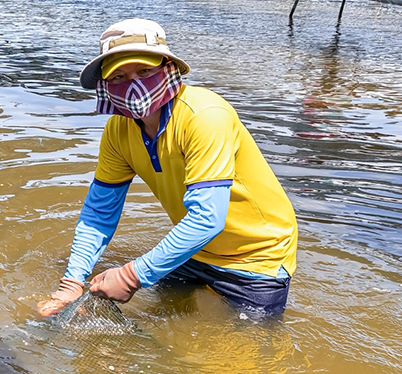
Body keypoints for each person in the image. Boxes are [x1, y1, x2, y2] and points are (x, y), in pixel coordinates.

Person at [36, 19, 298, 318]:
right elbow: (99, 212)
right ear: (106, 86)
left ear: (168, 68)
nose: (133, 84)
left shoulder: (205, 116)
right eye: (119, 76)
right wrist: (71, 282)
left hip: (256, 257)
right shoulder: (118, 131)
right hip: (194, 249)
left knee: (246, 353)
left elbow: (207, 218)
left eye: (145, 71)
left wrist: (131, 275)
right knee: (166, 320)